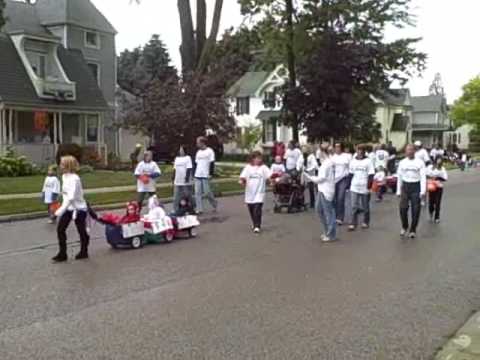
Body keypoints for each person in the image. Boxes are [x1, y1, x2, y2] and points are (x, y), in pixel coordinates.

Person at [52, 156, 90, 262]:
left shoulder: (75, 179)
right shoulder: (64, 176)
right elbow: (65, 195)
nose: (60, 166)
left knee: (81, 231)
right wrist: (62, 205)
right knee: (60, 229)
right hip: (68, 208)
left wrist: (60, 211)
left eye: (62, 164)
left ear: (68, 165)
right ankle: (62, 253)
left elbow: (71, 197)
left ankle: (84, 251)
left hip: (79, 209)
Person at [305, 144, 336, 242]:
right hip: (322, 189)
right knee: (319, 209)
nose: (317, 154)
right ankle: (327, 231)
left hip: (326, 190)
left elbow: (321, 178)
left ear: (323, 152)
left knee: (328, 212)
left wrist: (309, 177)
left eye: (319, 151)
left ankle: (331, 234)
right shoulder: (325, 162)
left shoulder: (328, 163)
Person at [397, 144, 427, 238]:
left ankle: (413, 229)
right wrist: (398, 190)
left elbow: (423, 177)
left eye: (411, 150)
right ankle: (404, 226)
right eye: (407, 150)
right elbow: (399, 177)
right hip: (405, 187)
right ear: (405, 152)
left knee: (416, 209)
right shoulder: (402, 162)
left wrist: (423, 191)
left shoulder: (420, 163)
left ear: (414, 151)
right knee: (403, 209)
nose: (409, 152)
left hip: (416, 186)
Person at [239, 151, 272, 233]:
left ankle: (257, 226)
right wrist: (242, 181)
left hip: (259, 192)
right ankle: (254, 223)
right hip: (250, 192)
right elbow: (242, 177)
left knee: (257, 208)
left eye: (260, 158)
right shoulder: (248, 167)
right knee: (251, 209)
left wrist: (272, 180)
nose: (259, 160)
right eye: (257, 158)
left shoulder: (263, 167)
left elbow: (270, 176)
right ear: (253, 159)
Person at [347, 145, 375, 231]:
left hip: (364, 186)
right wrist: (348, 186)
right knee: (353, 206)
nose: (359, 152)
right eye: (358, 150)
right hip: (354, 186)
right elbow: (351, 174)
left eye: (361, 150)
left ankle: (365, 222)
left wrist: (369, 186)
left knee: (365, 207)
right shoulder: (353, 161)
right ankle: (353, 223)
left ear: (364, 151)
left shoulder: (368, 161)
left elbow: (371, 174)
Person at [194, 136, 218, 214]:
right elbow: (196, 163)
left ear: (202, 143)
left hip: (206, 175)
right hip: (198, 175)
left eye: (198, 142)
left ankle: (214, 203)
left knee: (207, 192)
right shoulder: (198, 152)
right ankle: (199, 209)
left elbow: (212, 163)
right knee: (197, 192)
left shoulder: (210, 151)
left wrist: (211, 173)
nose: (197, 144)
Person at [331, 142, 352, 225]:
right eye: (336, 147)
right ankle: (335, 216)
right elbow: (331, 169)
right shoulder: (333, 158)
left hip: (343, 178)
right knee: (334, 199)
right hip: (334, 179)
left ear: (341, 148)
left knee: (340, 198)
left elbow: (351, 168)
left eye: (338, 147)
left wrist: (349, 180)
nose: (337, 149)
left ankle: (340, 218)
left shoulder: (347, 156)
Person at [172, 146, 193, 213]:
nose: (180, 151)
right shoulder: (177, 159)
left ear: (184, 151)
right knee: (176, 195)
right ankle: (175, 209)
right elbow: (174, 168)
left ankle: (191, 206)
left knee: (187, 194)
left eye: (181, 149)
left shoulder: (188, 158)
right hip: (177, 180)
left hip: (184, 180)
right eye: (180, 150)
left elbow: (189, 168)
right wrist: (173, 177)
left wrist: (187, 177)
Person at [427, 157, 448, 223]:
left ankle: (437, 217)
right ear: (435, 161)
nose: (439, 162)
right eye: (438, 160)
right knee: (431, 202)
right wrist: (431, 177)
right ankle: (431, 212)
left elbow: (445, 178)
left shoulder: (442, 169)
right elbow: (426, 174)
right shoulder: (430, 167)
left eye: (440, 161)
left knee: (438, 202)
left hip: (439, 187)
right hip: (431, 187)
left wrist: (438, 178)